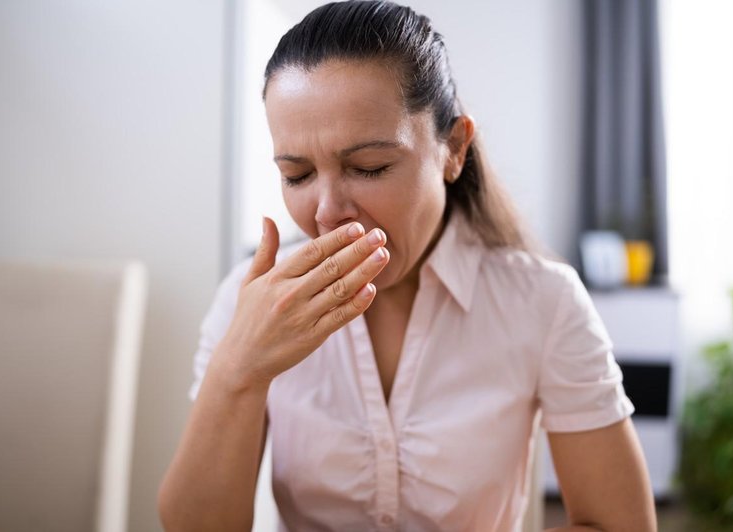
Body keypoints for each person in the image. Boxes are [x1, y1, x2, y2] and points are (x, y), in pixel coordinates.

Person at [159, 2, 657, 531]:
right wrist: (239, 369)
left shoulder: (544, 302)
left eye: (369, 167)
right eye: (298, 175)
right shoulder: (249, 299)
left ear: (454, 149)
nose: (327, 213)